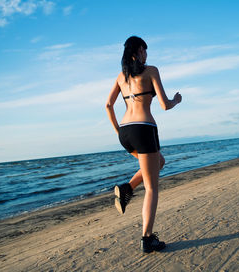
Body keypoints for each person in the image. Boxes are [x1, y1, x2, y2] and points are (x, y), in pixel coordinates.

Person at [105, 36, 182, 253]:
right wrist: (176, 100)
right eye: (144, 50)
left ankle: (126, 188)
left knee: (159, 162)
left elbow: (108, 105)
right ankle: (147, 239)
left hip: (125, 132)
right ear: (137, 51)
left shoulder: (121, 76)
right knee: (151, 188)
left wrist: (118, 131)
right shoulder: (151, 71)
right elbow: (164, 105)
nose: (146, 55)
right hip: (144, 129)